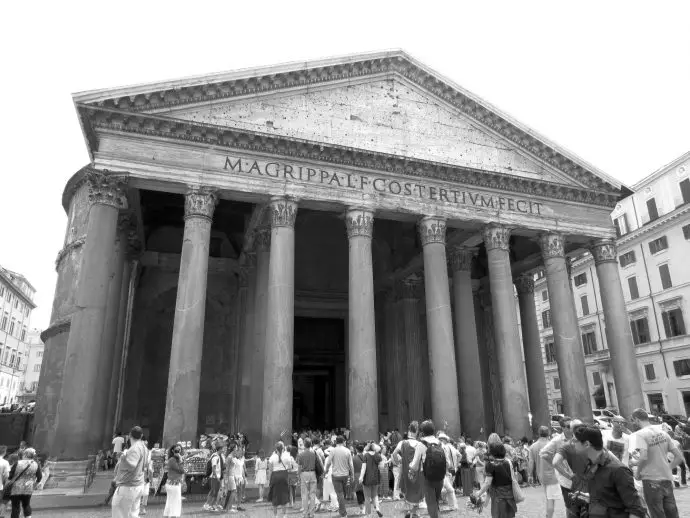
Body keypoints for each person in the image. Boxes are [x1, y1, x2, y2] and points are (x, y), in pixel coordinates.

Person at [573, 425, 646, 518]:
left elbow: (636, 509)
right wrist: (592, 498)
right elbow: (610, 497)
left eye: (575, 441)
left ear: (587, 444)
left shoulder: (618, 470)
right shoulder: (592, 464)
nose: (572, 443)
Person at [630, 408, 682, 518]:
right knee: (672, 512)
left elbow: (643, 456)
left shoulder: (640, 434)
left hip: (651, 480)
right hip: (666, 478)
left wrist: (638, 473)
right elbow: (679, 456)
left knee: (657, 513)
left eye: (633, 420)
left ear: (637, 419)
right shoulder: (663, 433)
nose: (633, 423)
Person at [408, 420, 446, 518]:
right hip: (440, 477)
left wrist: (409, 466)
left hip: (427, 478)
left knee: (431, 503)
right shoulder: (440, 443)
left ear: (422, 432)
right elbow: (448, 463)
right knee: (436, 502)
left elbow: (415, 465)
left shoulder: (421, 444)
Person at [111, 426, 149, 518]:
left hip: (128, 486)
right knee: (132, 514)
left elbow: (132, 465)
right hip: (137, 484)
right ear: (141, 436)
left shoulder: (135, 448)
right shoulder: (144, 448)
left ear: (129, 435)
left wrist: (123, 458)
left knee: (119, 513)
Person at [473, 442, 517, 518]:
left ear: (493, 453)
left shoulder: (491, 465)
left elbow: (487, 483)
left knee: (498, 515)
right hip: (509, 494)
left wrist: (479, 493)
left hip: (498, 496)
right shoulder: (508, 462)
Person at [392, 421, 425, 518]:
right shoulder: (420, 444)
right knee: (417, 491)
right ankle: (413, 513)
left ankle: (410, 513)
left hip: (405, 471)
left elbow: (394, 454)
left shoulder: (402, 443)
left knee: (406, 490)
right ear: (417, 432)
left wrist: (399, 463)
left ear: (409, 431)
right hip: (417, 472)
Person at [529, 426, 560, 518]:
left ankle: (548, 515)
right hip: (552, 475)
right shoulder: (552, 444)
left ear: (539, 433)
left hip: (541, 475)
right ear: (549, 433)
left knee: (548, 497)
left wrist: (530, 475)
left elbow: (531, 462)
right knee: (551, 499)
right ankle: (549, 516)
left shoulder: (533, 446)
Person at [324, 435, 354, 518]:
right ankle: (342, 512)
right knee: (342, 494)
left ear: (336, 442)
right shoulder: (347, 451)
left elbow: (329, 462)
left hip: (336, 476)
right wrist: (352, 474)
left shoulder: (333, 451)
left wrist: (325, 471)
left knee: (340, 494)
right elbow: (351, 464)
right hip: (345, 475)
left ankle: (343, 513)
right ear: (343, 441)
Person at [7, 448, 42, 518]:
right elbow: (39, 477)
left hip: (16, 487)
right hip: (28, 487)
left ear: (25, 454)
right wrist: (35, 484)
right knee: (26, 504)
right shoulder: (36, 464)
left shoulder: (18, 463)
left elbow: (10, 476)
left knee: (15, 506)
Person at [297, 437, 322, 518]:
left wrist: (298, 476)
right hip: (313, 473)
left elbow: (299, 468)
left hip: (304, 474)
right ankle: (312, 514)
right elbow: (320, 462)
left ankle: (305, 513)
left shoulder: (300, 454)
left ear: (304, 444)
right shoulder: (314, 453)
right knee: (312, 494)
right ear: (311, 444)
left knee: (304, 495)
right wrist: (323, 472)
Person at [268, 441, 294, 518]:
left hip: (275, 476)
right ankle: (284, 515)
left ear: (276, 448)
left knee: (275, 495)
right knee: (284, 495)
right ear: (283, 448)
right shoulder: (287, 456)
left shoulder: (272, 457)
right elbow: (289, 467)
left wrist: (269, 480)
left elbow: (270, 470)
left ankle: (275, 515)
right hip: (284, 476)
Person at [359, 442, 383, 517]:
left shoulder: (365, 455)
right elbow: (381, 467)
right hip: (376, 478)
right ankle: (378, 509)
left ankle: (368, 514)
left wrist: (361, 477)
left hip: (367, 479)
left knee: (367, 497)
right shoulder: (378, 455)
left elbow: (363, 468)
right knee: (375, 495)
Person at [437, 433, 458, 511]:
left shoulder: (433, 446)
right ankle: (453, 506)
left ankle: (451, 506)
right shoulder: (444, 447)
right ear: (444, 440)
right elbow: (447, 462)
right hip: (443, 472)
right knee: (448, 489)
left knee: (444, 489)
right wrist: (446, 470)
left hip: (436, 472)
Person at [163, 444, 184, 518]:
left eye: (179, 449)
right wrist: (181, 460)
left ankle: (167, 516)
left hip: (173, 484)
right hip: (173, 485)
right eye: (176, 450)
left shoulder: (174, 459)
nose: (178, 451)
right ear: (172, 451)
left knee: (170, 502)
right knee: (175, 503)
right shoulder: (172, 460)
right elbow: (181, 470)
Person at [0, 445, 10, 518]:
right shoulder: (5, 462)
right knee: (2, 502)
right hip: (0, 486)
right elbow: (6, 476)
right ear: (4, 452)